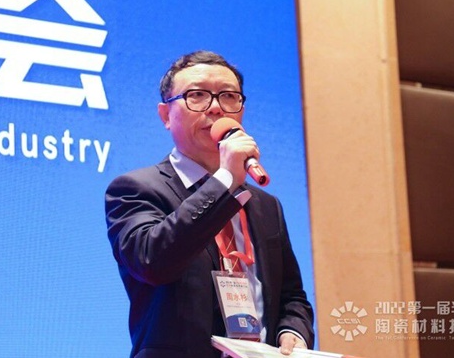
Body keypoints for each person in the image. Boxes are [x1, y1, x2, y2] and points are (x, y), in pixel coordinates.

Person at [105, 51, 314, 358]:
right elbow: (153, 262)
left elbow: (292, 296)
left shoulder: (266, 205)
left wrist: (293, 332)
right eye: (197, 95)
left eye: (228, 96)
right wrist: (224, 180)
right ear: (165, 115)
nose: (216, 107)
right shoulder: (135, 189)